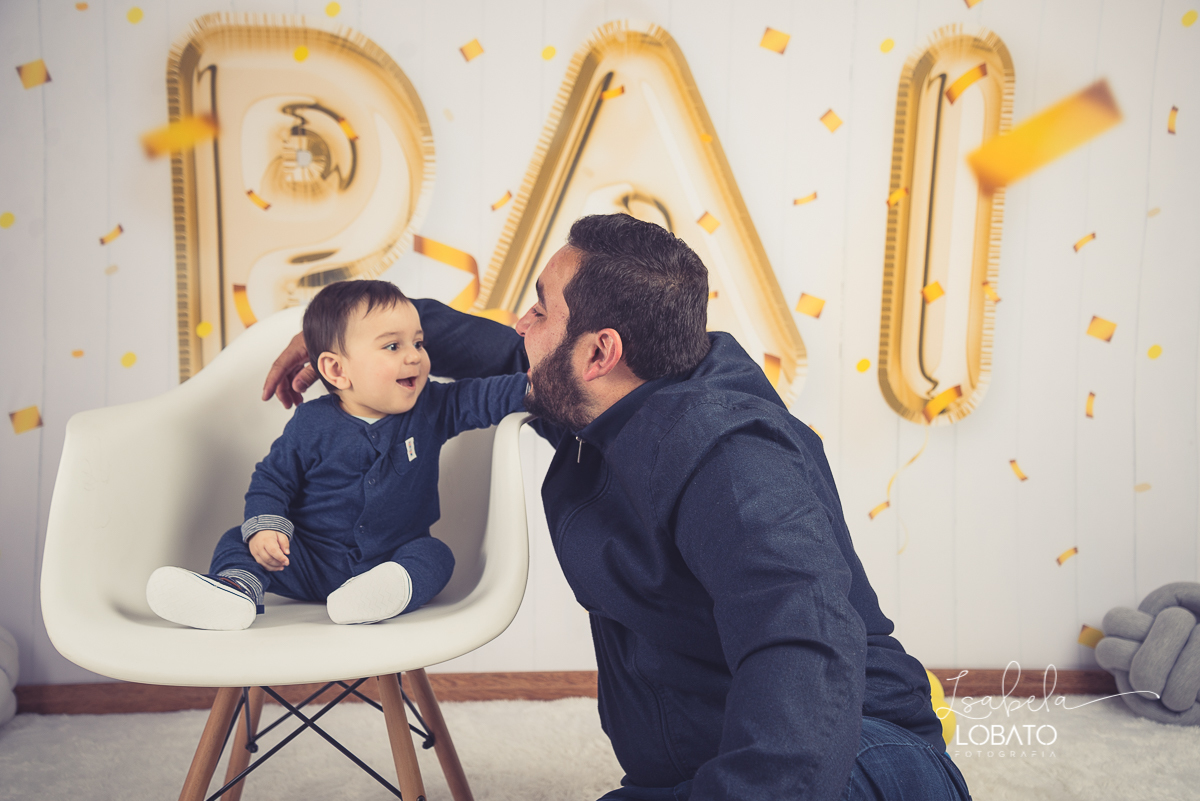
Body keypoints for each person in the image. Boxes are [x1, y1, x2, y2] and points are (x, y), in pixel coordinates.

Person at [263, 215, 972, 800]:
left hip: (844, 760)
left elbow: (805, 656)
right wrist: (350, 333)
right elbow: (497, 349)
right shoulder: (606, 393)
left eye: (540, 307)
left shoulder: (736, 461)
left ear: (601, 350)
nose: (520, 321)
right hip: (713, 757)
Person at [147, 280, 529, 631]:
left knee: (435, 555)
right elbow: (272, 480)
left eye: (419, 342)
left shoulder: (435, 407)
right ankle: (235, 591)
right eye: (393, 346)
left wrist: (542, 384)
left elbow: (489, 396)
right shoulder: (312, 423)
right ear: (336, 369)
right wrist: (267, 528)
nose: (414, 357)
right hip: (307, 559)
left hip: (388, 558)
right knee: (237, 540)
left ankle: (382, 594)